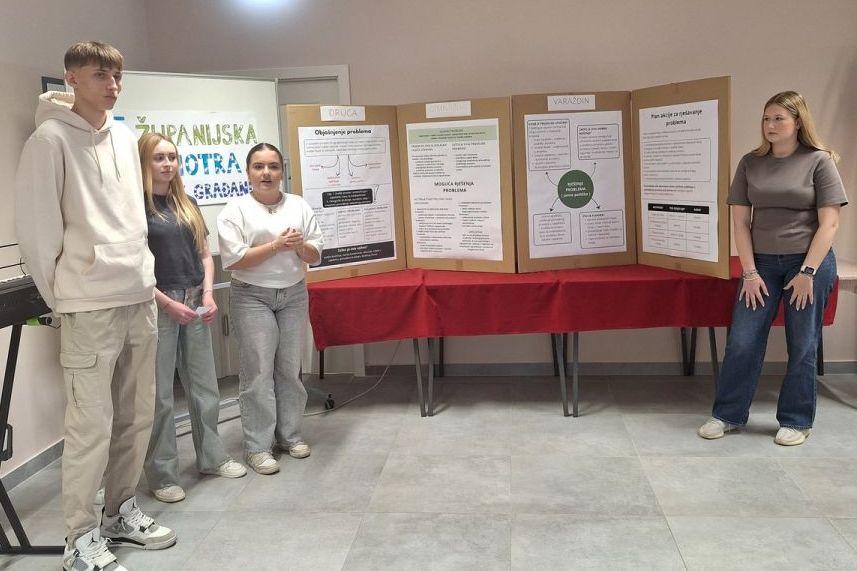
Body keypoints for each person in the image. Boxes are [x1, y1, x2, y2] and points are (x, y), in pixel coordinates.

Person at [14, 41, 175, 570]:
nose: (112, 85)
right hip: (88, 306)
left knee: (137, 415)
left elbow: (133, 219)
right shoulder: (49, 141)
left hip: (137, 295)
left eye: (117, 76)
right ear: (72, 79)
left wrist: (144, 276)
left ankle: (119, 512)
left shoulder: (125, 137)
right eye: (100, 75)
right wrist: (65, 296)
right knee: (91, 427)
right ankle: (78, 540)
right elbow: (38, 234)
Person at [698, 91, 847, 446]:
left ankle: (797, 420)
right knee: (742, 341)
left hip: (807, 263)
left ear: (798, 122)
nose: (771, 125)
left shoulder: (819, 161)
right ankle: (728, 415)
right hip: (761, 264)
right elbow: (740, 223)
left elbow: (830, 224)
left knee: (803, 342)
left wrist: (808, 273)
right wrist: (750, 273)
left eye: (779, 118)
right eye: (766, 118)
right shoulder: (750, 163)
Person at [138, 133, 247, 503]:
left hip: (195, 299)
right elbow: (133, 267)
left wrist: (209, 293)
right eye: (159, 157)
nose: (168, 164)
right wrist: (166, 304)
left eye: (172, 156)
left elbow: (204, 254)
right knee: (160, 396)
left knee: (205, 387)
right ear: (144, 161)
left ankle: (212, 458)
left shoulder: (188, 203)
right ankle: (162, 475)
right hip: (158, 305)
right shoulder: (135, 208)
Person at [217, 142, 323, 475]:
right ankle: (258, 447)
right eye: (259, 166)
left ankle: (290, 436)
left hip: (293, 293)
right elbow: (233, 260)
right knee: (259, 372)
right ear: (248, 172)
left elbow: (316, 255)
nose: (267, 173)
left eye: (273, 166)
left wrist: (299, 247)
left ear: (282, 171)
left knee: (290, 369)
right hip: (252, 296)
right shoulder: (235, 209)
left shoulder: (298, 205)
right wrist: (276, 245)